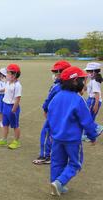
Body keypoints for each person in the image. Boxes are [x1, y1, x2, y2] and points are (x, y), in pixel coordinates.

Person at [48, 66, 102, 196]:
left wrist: (51, 133)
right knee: (75, 163)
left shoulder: (56, 97)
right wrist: (93, 136)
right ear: (74, 81)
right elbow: (87, 122)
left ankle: (55, 184)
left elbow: (50, 115)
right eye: (83, 80)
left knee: (57, 162)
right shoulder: (78, 100)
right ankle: (59, 182)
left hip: (56, 137)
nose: (85, 83)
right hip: (72, 140)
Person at [33, 60, 71, 165]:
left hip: (54, 115)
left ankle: (45, 156)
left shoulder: (57, 87)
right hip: (65, 116)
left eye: (56, 72)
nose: (55, 75)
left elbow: (49, 100)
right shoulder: (73, 86)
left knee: (46, 133)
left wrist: (45, 109)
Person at [0, 64, 22, 149]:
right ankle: (4, 140)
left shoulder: (17, 85)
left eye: (8, 73)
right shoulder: (8, 82)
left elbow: (18, 98)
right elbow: (6, 89)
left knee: (15, 125)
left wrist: (13, 110)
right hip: (5, 105)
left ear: (14, 75)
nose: (6, 75)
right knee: (5, 124)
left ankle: (16, 142)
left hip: (12, 107)